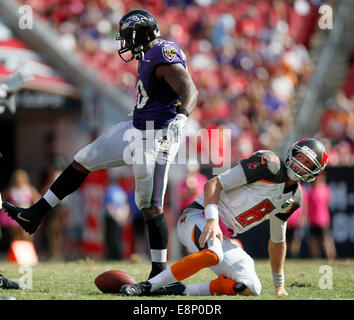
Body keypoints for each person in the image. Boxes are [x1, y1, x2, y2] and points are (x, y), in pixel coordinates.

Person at [2, 9, 198, 279]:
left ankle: (160, 276)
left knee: (150, 205)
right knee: (85, 157)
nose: (125, 44)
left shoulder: (162, 56)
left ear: (141, 35)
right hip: (135, 129)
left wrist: (182, 116)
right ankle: (35, 214)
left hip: (157, 136)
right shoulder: (149, 53)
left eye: (128, 37)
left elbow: (190, 88)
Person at [121, 138, 329, 297]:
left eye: (307, 163)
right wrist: (212, 221)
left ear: (313, 172)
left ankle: (179, 290)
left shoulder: (295, 198)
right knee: (214, 253)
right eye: (299, 157)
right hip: (197, 216)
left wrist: (279, 285)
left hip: (222, 236)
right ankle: (147, 286)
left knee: (251, 286)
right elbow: (214, 184)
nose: (299, 164)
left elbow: (277, 241)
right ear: (291, 153)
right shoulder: (268, 164)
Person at [307, 172, 336, 260]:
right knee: (313, 240)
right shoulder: (311, 190)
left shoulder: (325, 189)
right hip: (313, 220)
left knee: (326, 240)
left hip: (323, 220)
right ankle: (315, 257)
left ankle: (331, 257)